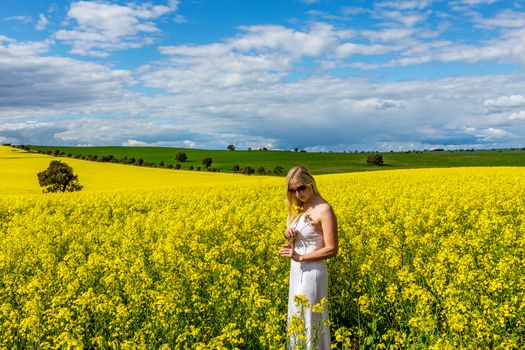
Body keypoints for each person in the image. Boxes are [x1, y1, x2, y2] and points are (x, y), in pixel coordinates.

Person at [278, 165, 338, 350]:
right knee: (296, 316)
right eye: (293, 190)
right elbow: (296, 246)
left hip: (312, 272)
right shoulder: (301, 208)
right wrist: (290, 239)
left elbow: (332, 249)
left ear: (311, 183)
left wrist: (301, 257)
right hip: (297, 271)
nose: (298, 193)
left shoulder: (324, 210)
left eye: (301, 188)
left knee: (309, 318)